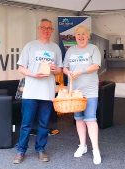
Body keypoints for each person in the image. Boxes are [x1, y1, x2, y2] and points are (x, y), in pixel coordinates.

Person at [13, 18, 63, 164]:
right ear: (39, 29)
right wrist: (33, 74)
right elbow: (20, 67)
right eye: (43, 27)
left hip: (47, 93)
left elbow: (59, 69)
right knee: (26, 123)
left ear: (52, 31)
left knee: (44, 124)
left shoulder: (55, 48)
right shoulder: (30, 46)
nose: (46, 30)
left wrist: (56, 70)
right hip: (30, 92)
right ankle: (21, 150)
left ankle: (40, 149)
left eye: (49, 28)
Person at [63, 25, 102, 165]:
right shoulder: (70, 51)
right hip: (74, 92)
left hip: (90, 91)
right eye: (78, 34)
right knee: (78, 119)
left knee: (90, 119)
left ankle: (96, 150)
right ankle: (82, 146)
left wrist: (81, 71)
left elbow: (96, 66)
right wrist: (69, 73)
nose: (80, 36)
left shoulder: (93, 49)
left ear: (88, 36)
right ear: (75, 36)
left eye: (83, 34)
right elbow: (65, 68)